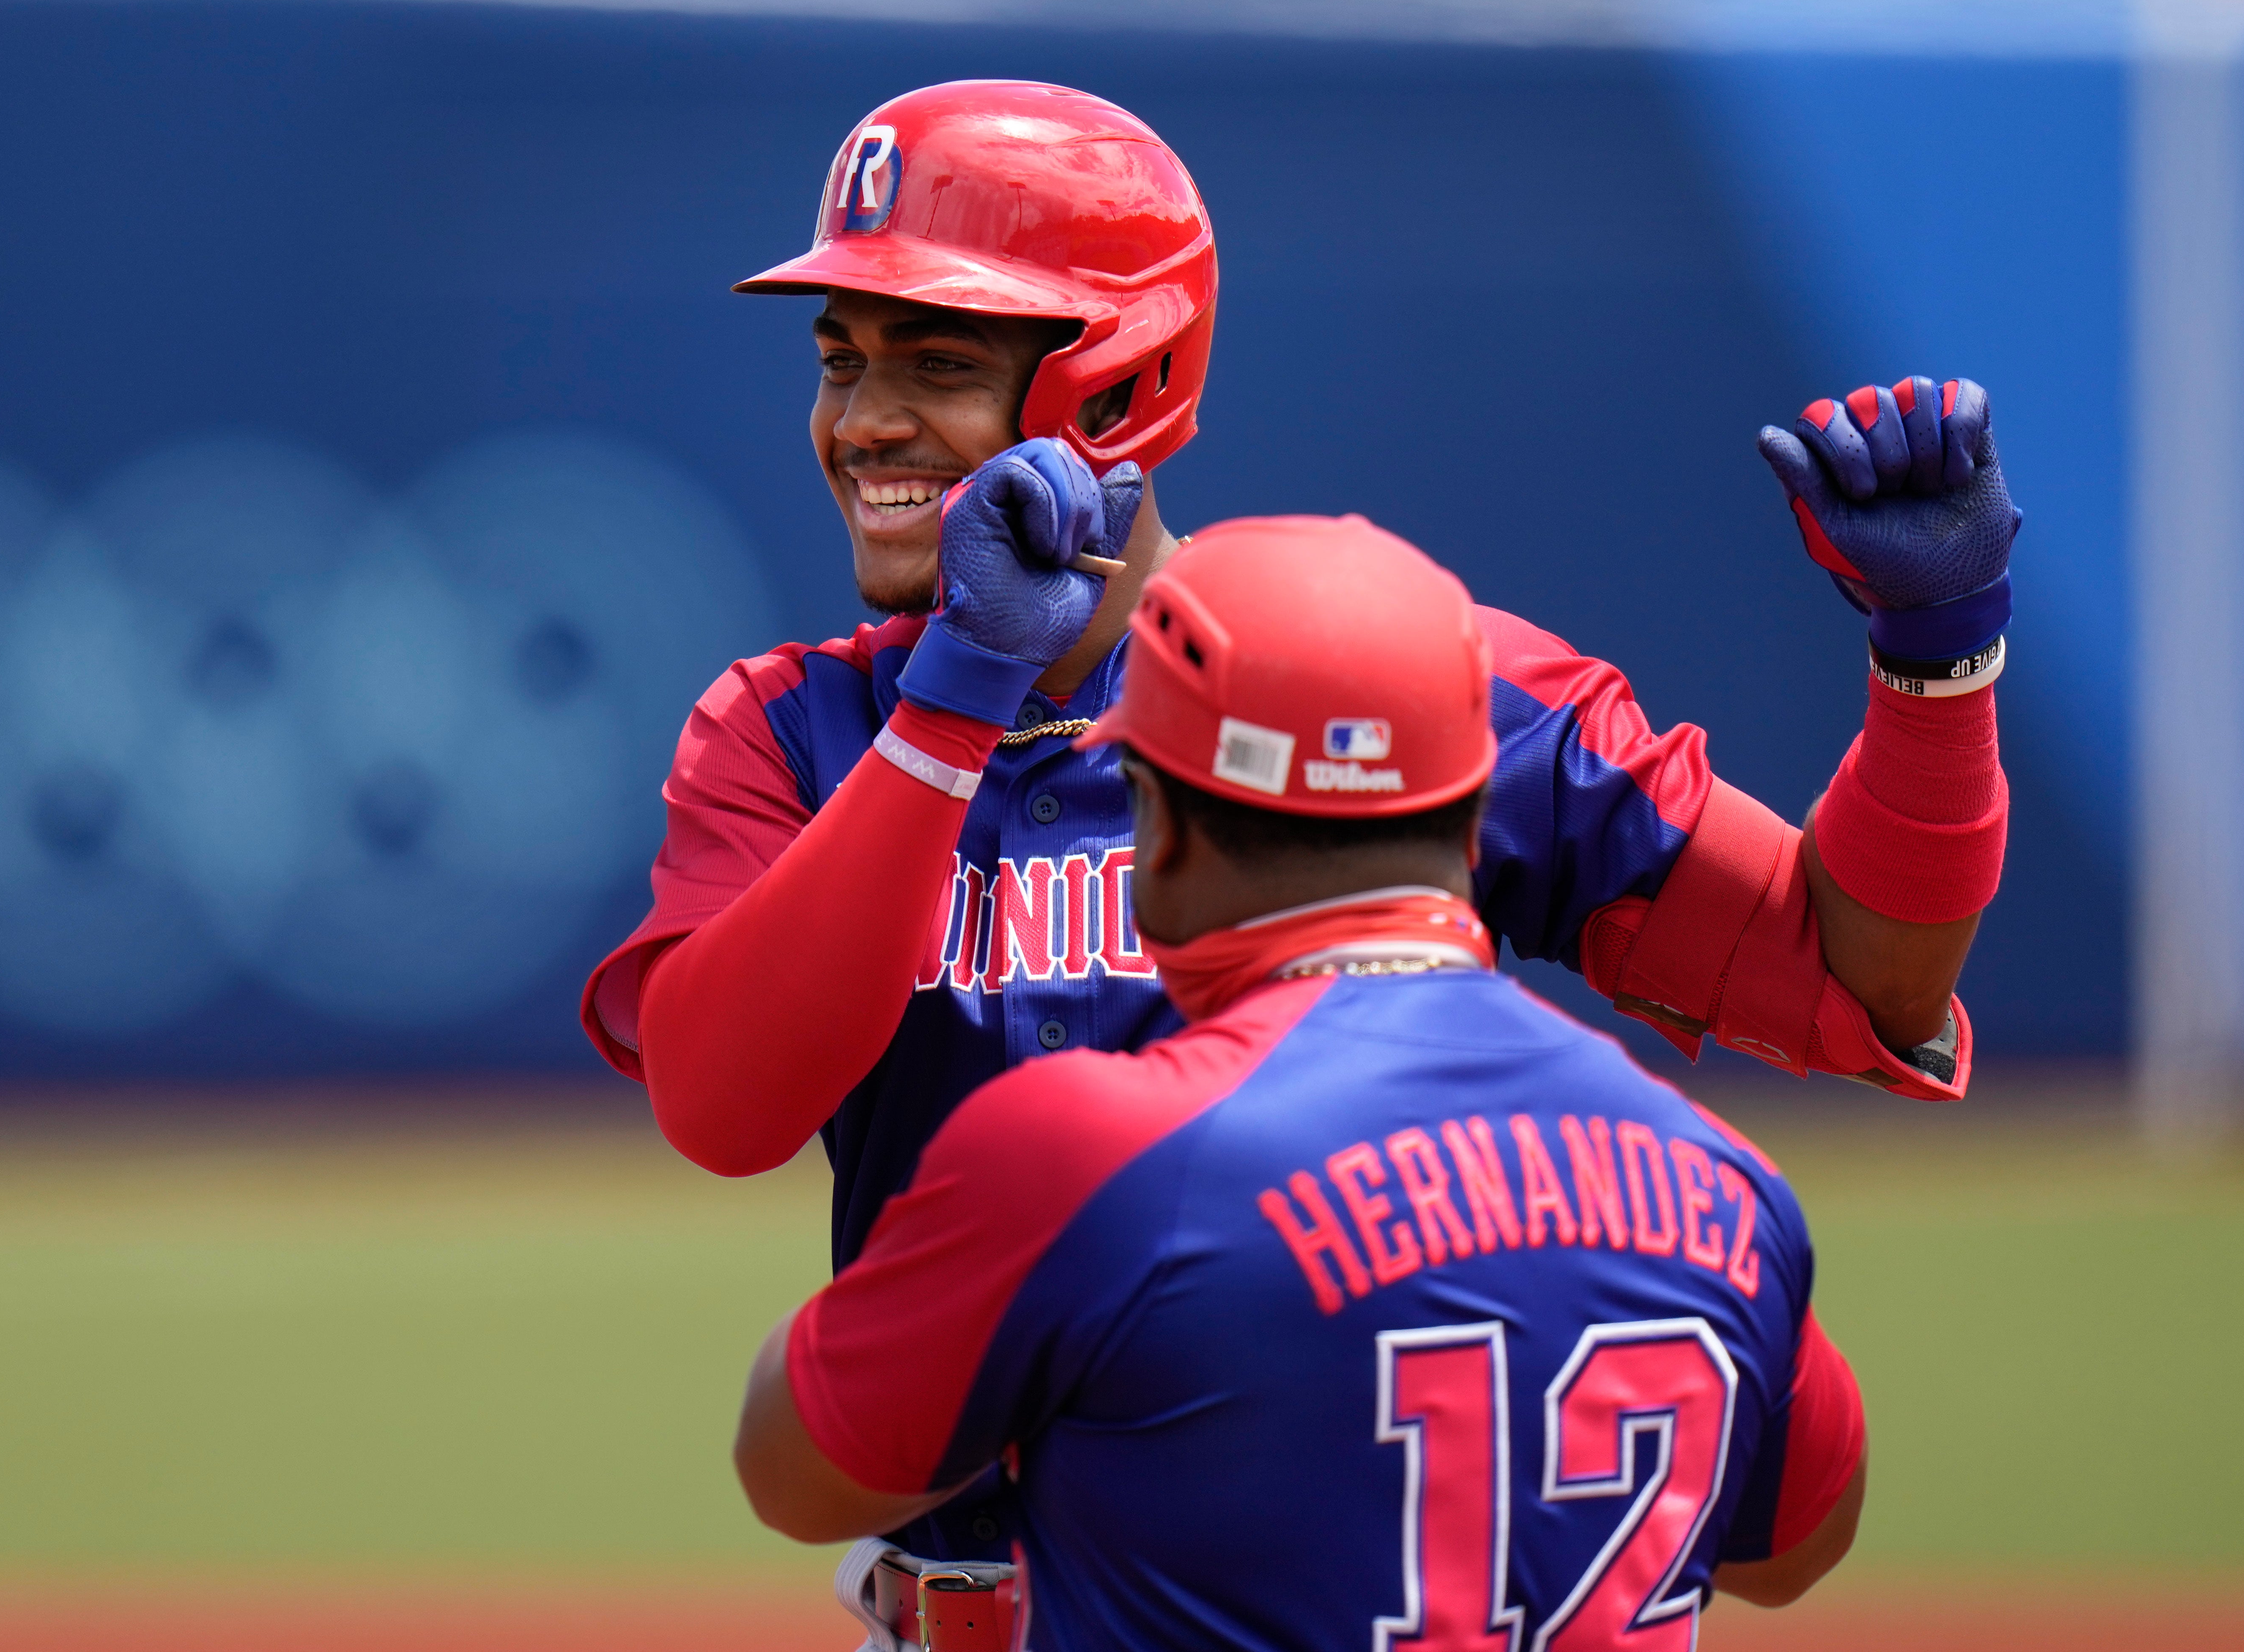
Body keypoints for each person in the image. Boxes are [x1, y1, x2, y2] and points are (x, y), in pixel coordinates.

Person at [581, 80, 2008, 1568]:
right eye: (839, 360)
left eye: (936, 360)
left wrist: (1934, 672)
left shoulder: (1398, 688)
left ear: (1117, 378)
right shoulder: (791, 728)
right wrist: (953, 705)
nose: (864, 420)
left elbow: (1861, 982)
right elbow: (724, 1107)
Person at [733, 516, 1866, 1652]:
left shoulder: (1092, 1154)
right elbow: (1795, 1547)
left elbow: (798, 1474)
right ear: (1473, 812)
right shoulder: (1722, 1183)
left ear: (1161, 832)